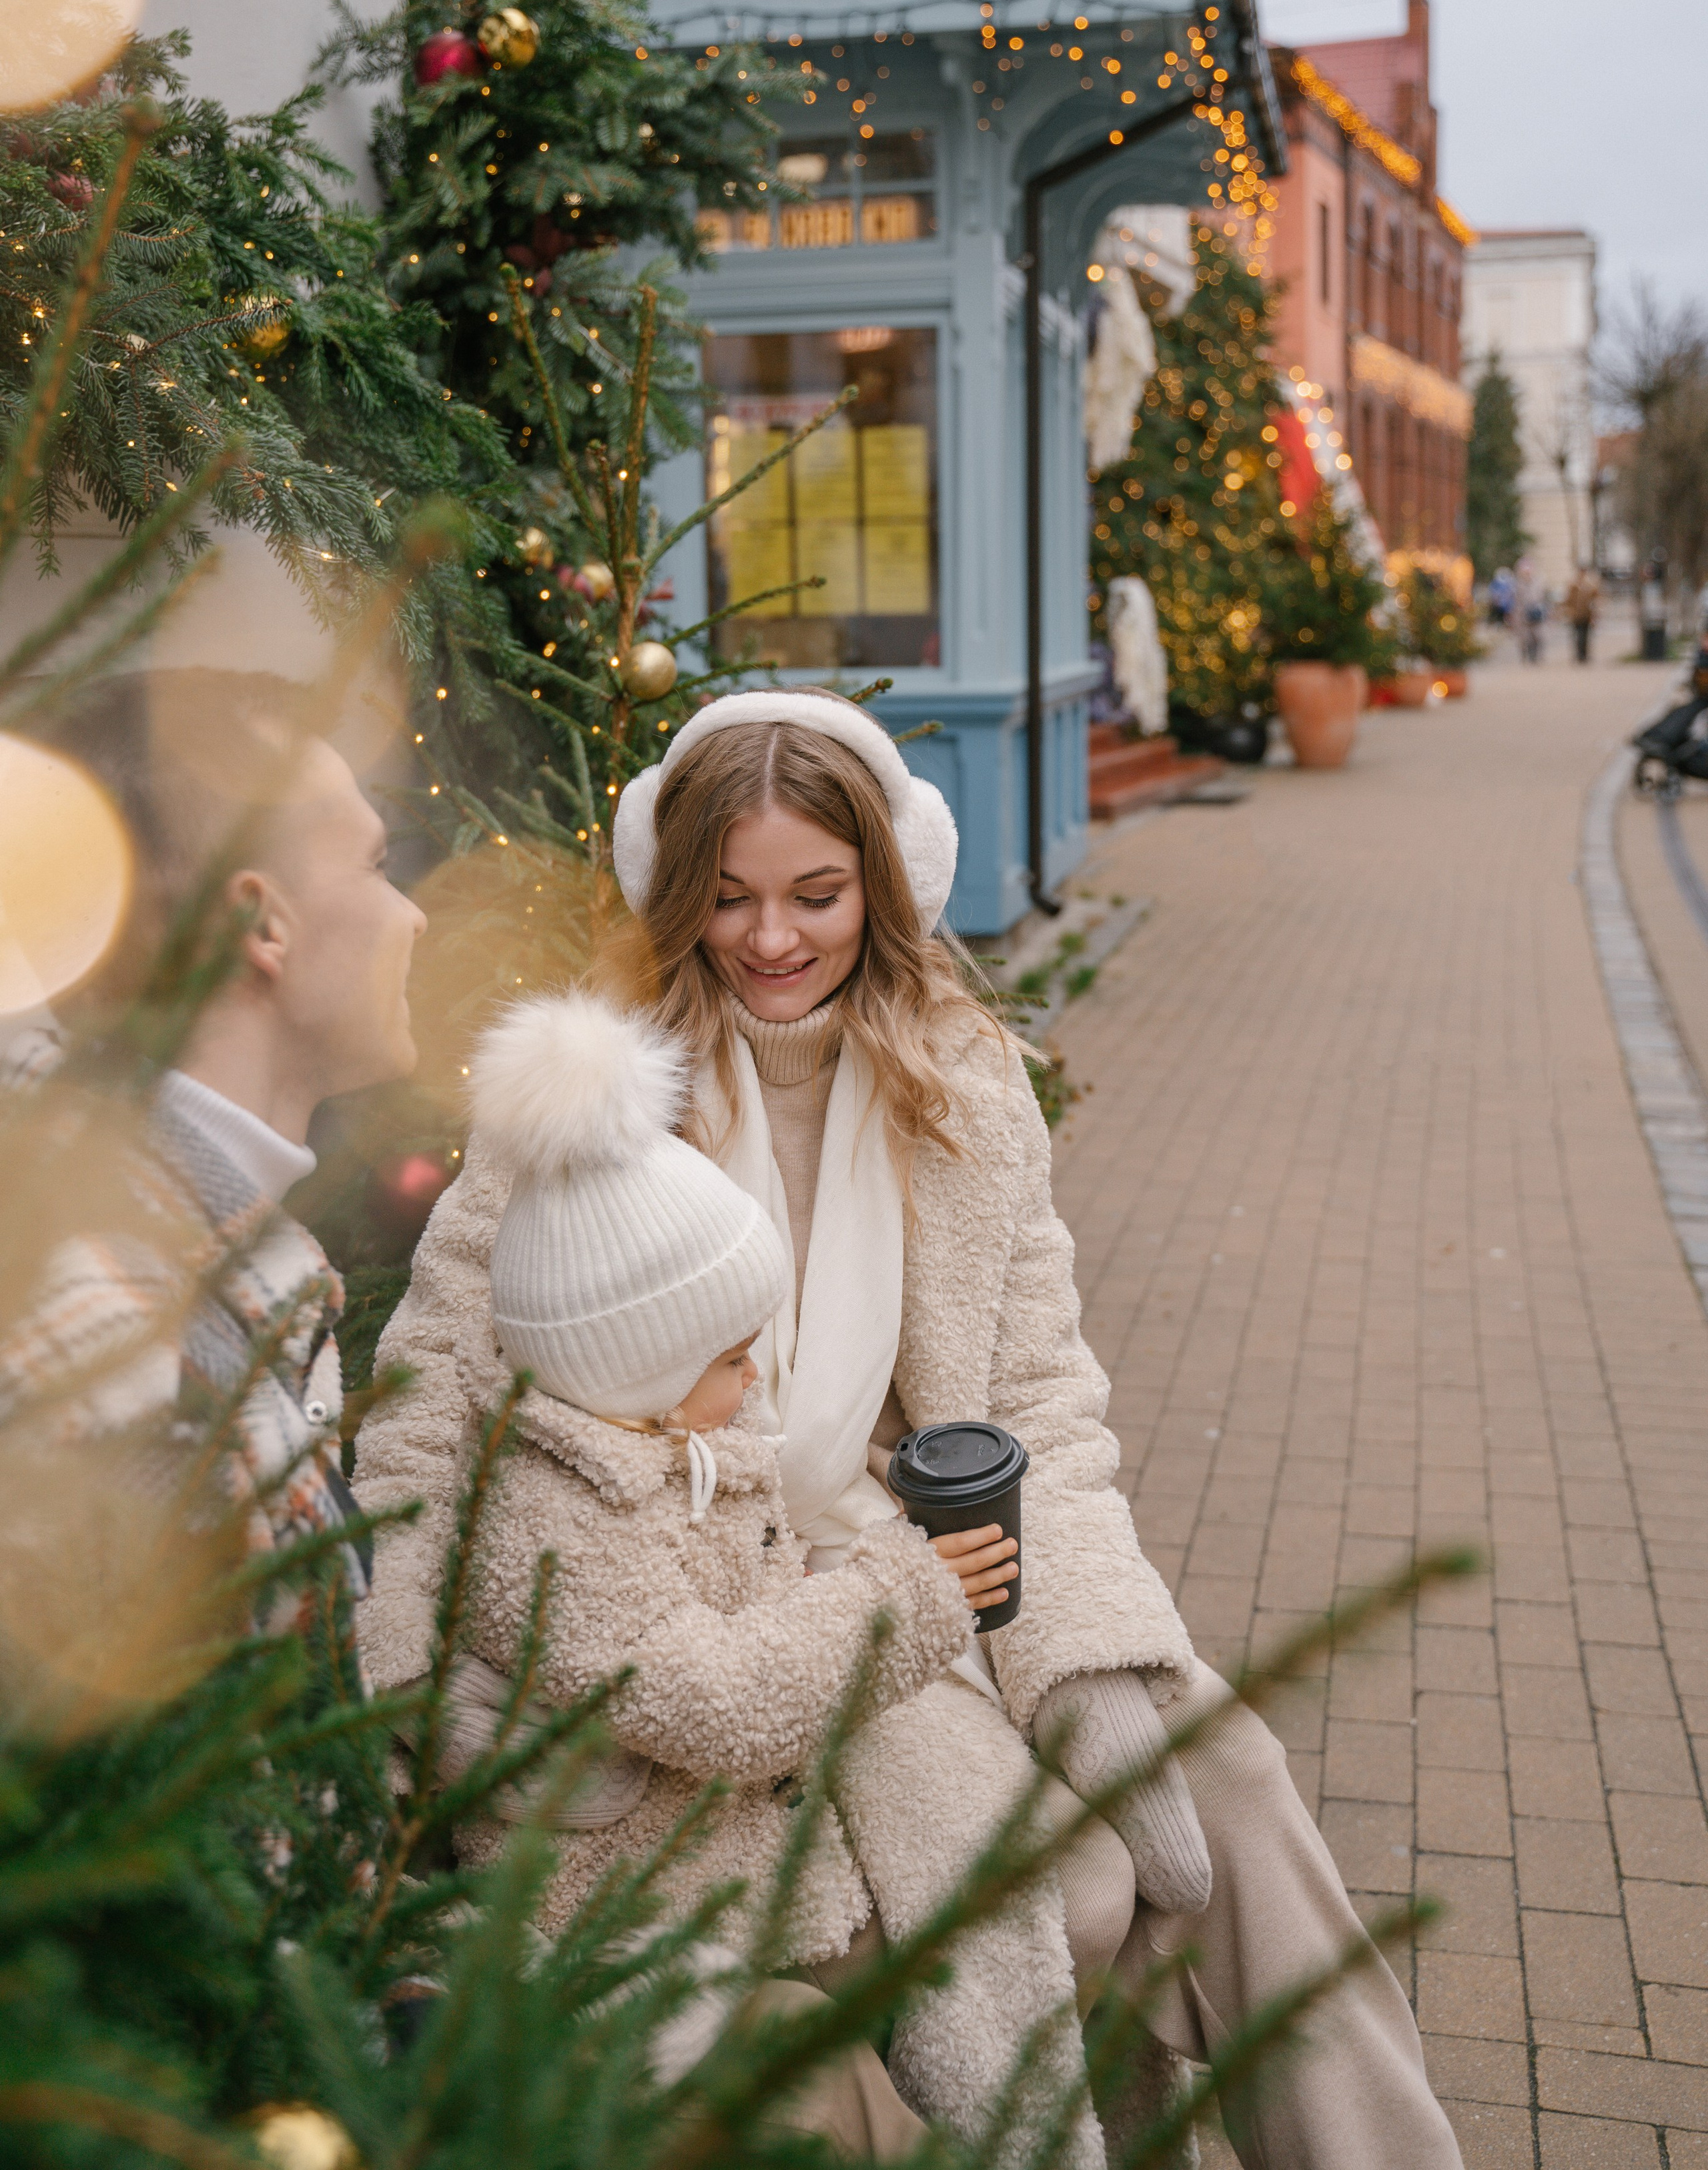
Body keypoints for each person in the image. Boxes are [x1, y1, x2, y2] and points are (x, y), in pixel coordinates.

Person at [356, 689, 1463, 2170]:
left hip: (937, 1557)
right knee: (1080, 1904)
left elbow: (1037, 1406)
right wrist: (392, 1719)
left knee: (1227, 1777)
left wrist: (1080, 1664)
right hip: (749, 1604)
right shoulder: (587, 1094)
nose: (770, 940)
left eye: (815, 894)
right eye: (731, 898)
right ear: (674, 891)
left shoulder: (966, 1082)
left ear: (882, 885)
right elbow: (431, 1403)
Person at [448, 985, 994, 2159]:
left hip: (729, 1862)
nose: (755, 1384)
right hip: (633, 1918)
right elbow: (724, 1702)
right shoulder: (557, 1522)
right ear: (631, 1362)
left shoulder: (676, 1441)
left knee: (962, 1933)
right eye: (731, 1358)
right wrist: (912, 1588)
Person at [2, 669, 425, 1600]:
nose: (415, 914)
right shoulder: (122, 1343)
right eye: (376, 866)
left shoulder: (216, 1248)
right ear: (259, 921)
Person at [1566, 566, 1601, 664]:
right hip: (1576, 615)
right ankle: (1579, 654)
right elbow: (1569, 600)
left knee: (1586, 636)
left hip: (1587, 615)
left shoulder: (1591, 586)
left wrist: (1595, 613)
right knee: (1578, 636)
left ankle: (1584, 655)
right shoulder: (1573, 586)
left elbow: (1596, 599)